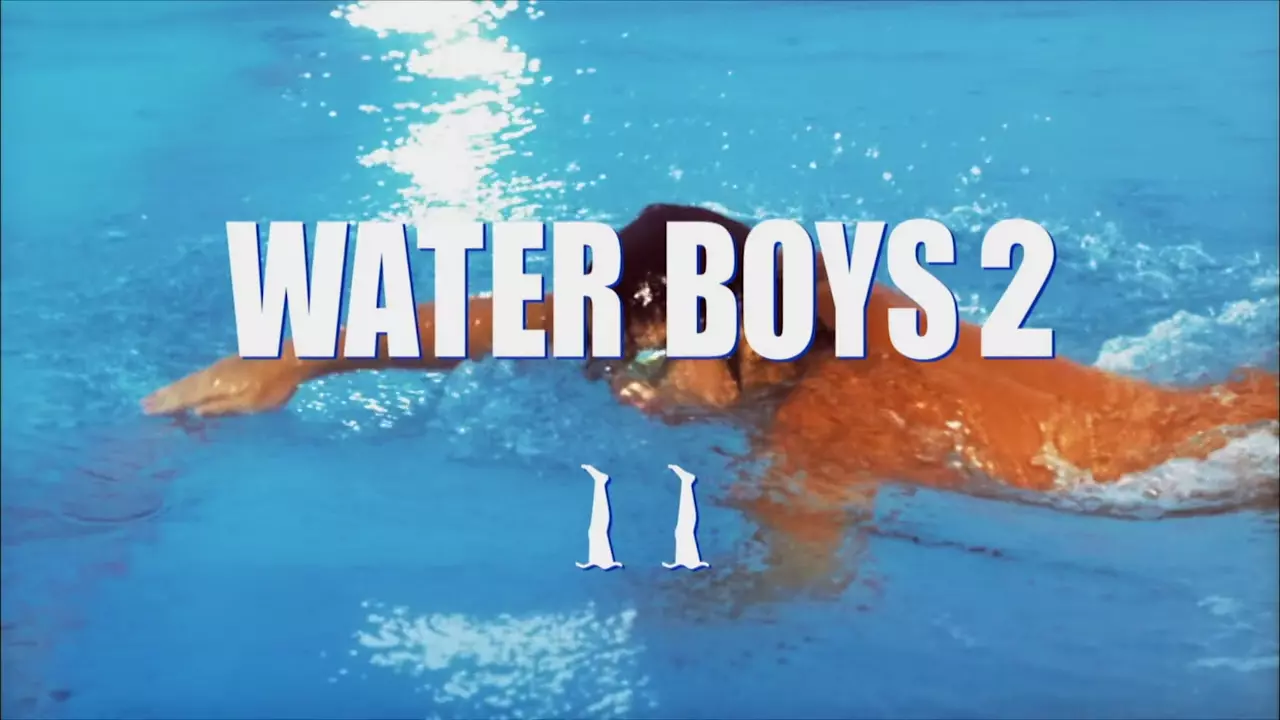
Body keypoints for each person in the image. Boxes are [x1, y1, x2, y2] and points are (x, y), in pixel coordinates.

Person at [144, 204, 1278, 596]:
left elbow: (803, 579)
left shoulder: (840, 412)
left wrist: (697, 604)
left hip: (1219, 474)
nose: (622, 389)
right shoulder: (806, 294)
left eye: (641, 368)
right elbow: (509, 314)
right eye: (614, 360)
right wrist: (296, 358)